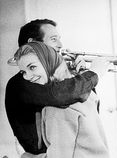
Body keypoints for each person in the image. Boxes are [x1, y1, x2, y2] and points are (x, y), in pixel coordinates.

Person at [5, 19, 106, 156]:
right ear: (33, 43)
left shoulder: (61, 90)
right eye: (54, 39)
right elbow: (58, 96)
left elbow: (90, 108)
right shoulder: (20, 84)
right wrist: (92, 75)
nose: (60, 45)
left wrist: (78, 74)